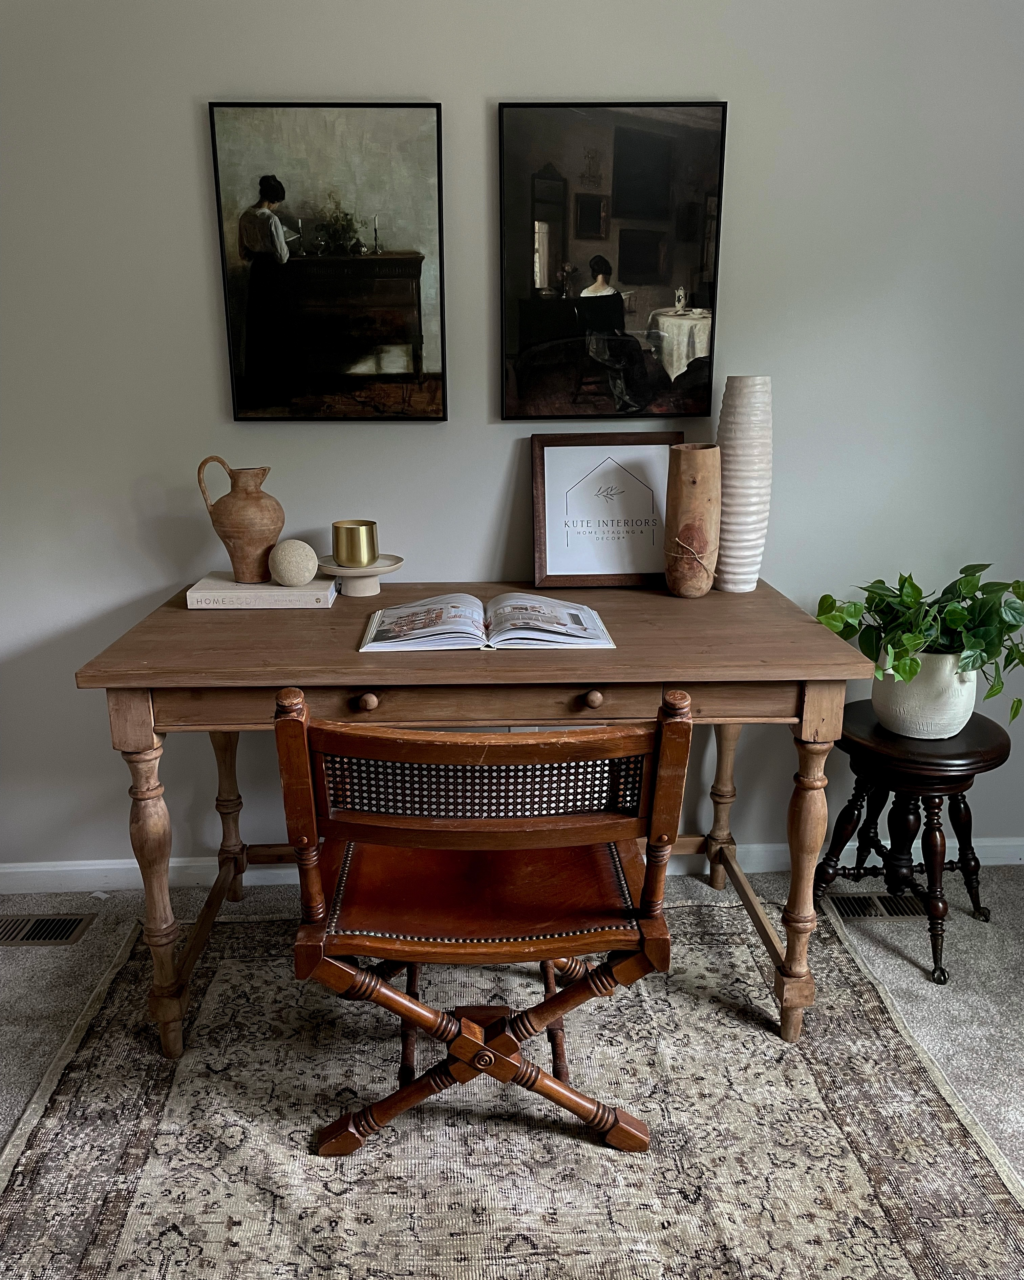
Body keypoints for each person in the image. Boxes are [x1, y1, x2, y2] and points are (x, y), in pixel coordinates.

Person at [238, 175, 292, 407]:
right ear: (273, 200)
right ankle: (275, 391)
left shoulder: (245, 217)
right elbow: (282, 256)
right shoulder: (271, 220)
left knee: (258, 328)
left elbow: (243, 254)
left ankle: (256, 390)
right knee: (274, 328)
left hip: (257, 274)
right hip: (272, 275)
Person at [576, 255, 650, 412]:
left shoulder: (583, 295)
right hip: (609, 347)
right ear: (608, 274)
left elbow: (582, 325)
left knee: (630, 345)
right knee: (634, 345)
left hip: (591, 346)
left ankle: (629, 388)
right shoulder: (614, 295)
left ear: (594, 274)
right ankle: (636, 393)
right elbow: (618, 330)